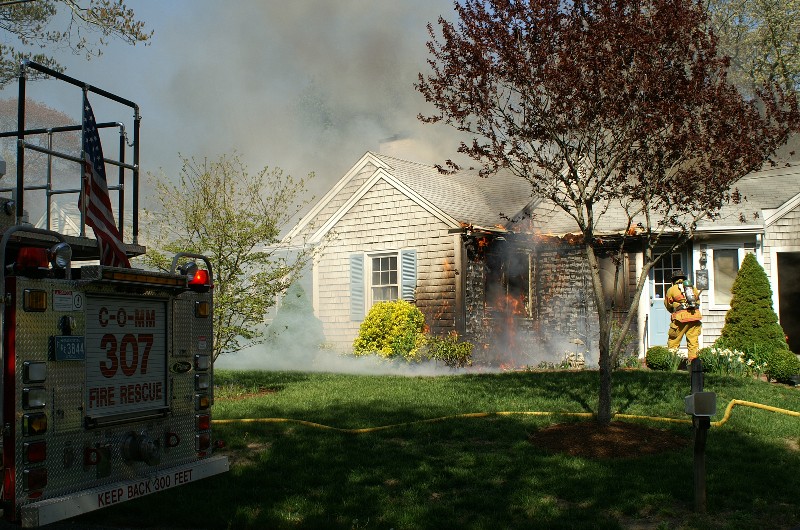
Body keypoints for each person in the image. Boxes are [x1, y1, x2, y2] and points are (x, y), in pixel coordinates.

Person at [664, 269, 702, 361]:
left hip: (680, 319)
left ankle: (672, 364)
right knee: (693, 343)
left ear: (674, 280)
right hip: (694, 317)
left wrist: (674, 311)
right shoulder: (693, 288)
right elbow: (698, 302)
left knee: (674, 341)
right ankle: (693, 365)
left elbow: (668, 304)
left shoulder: (671, 289)